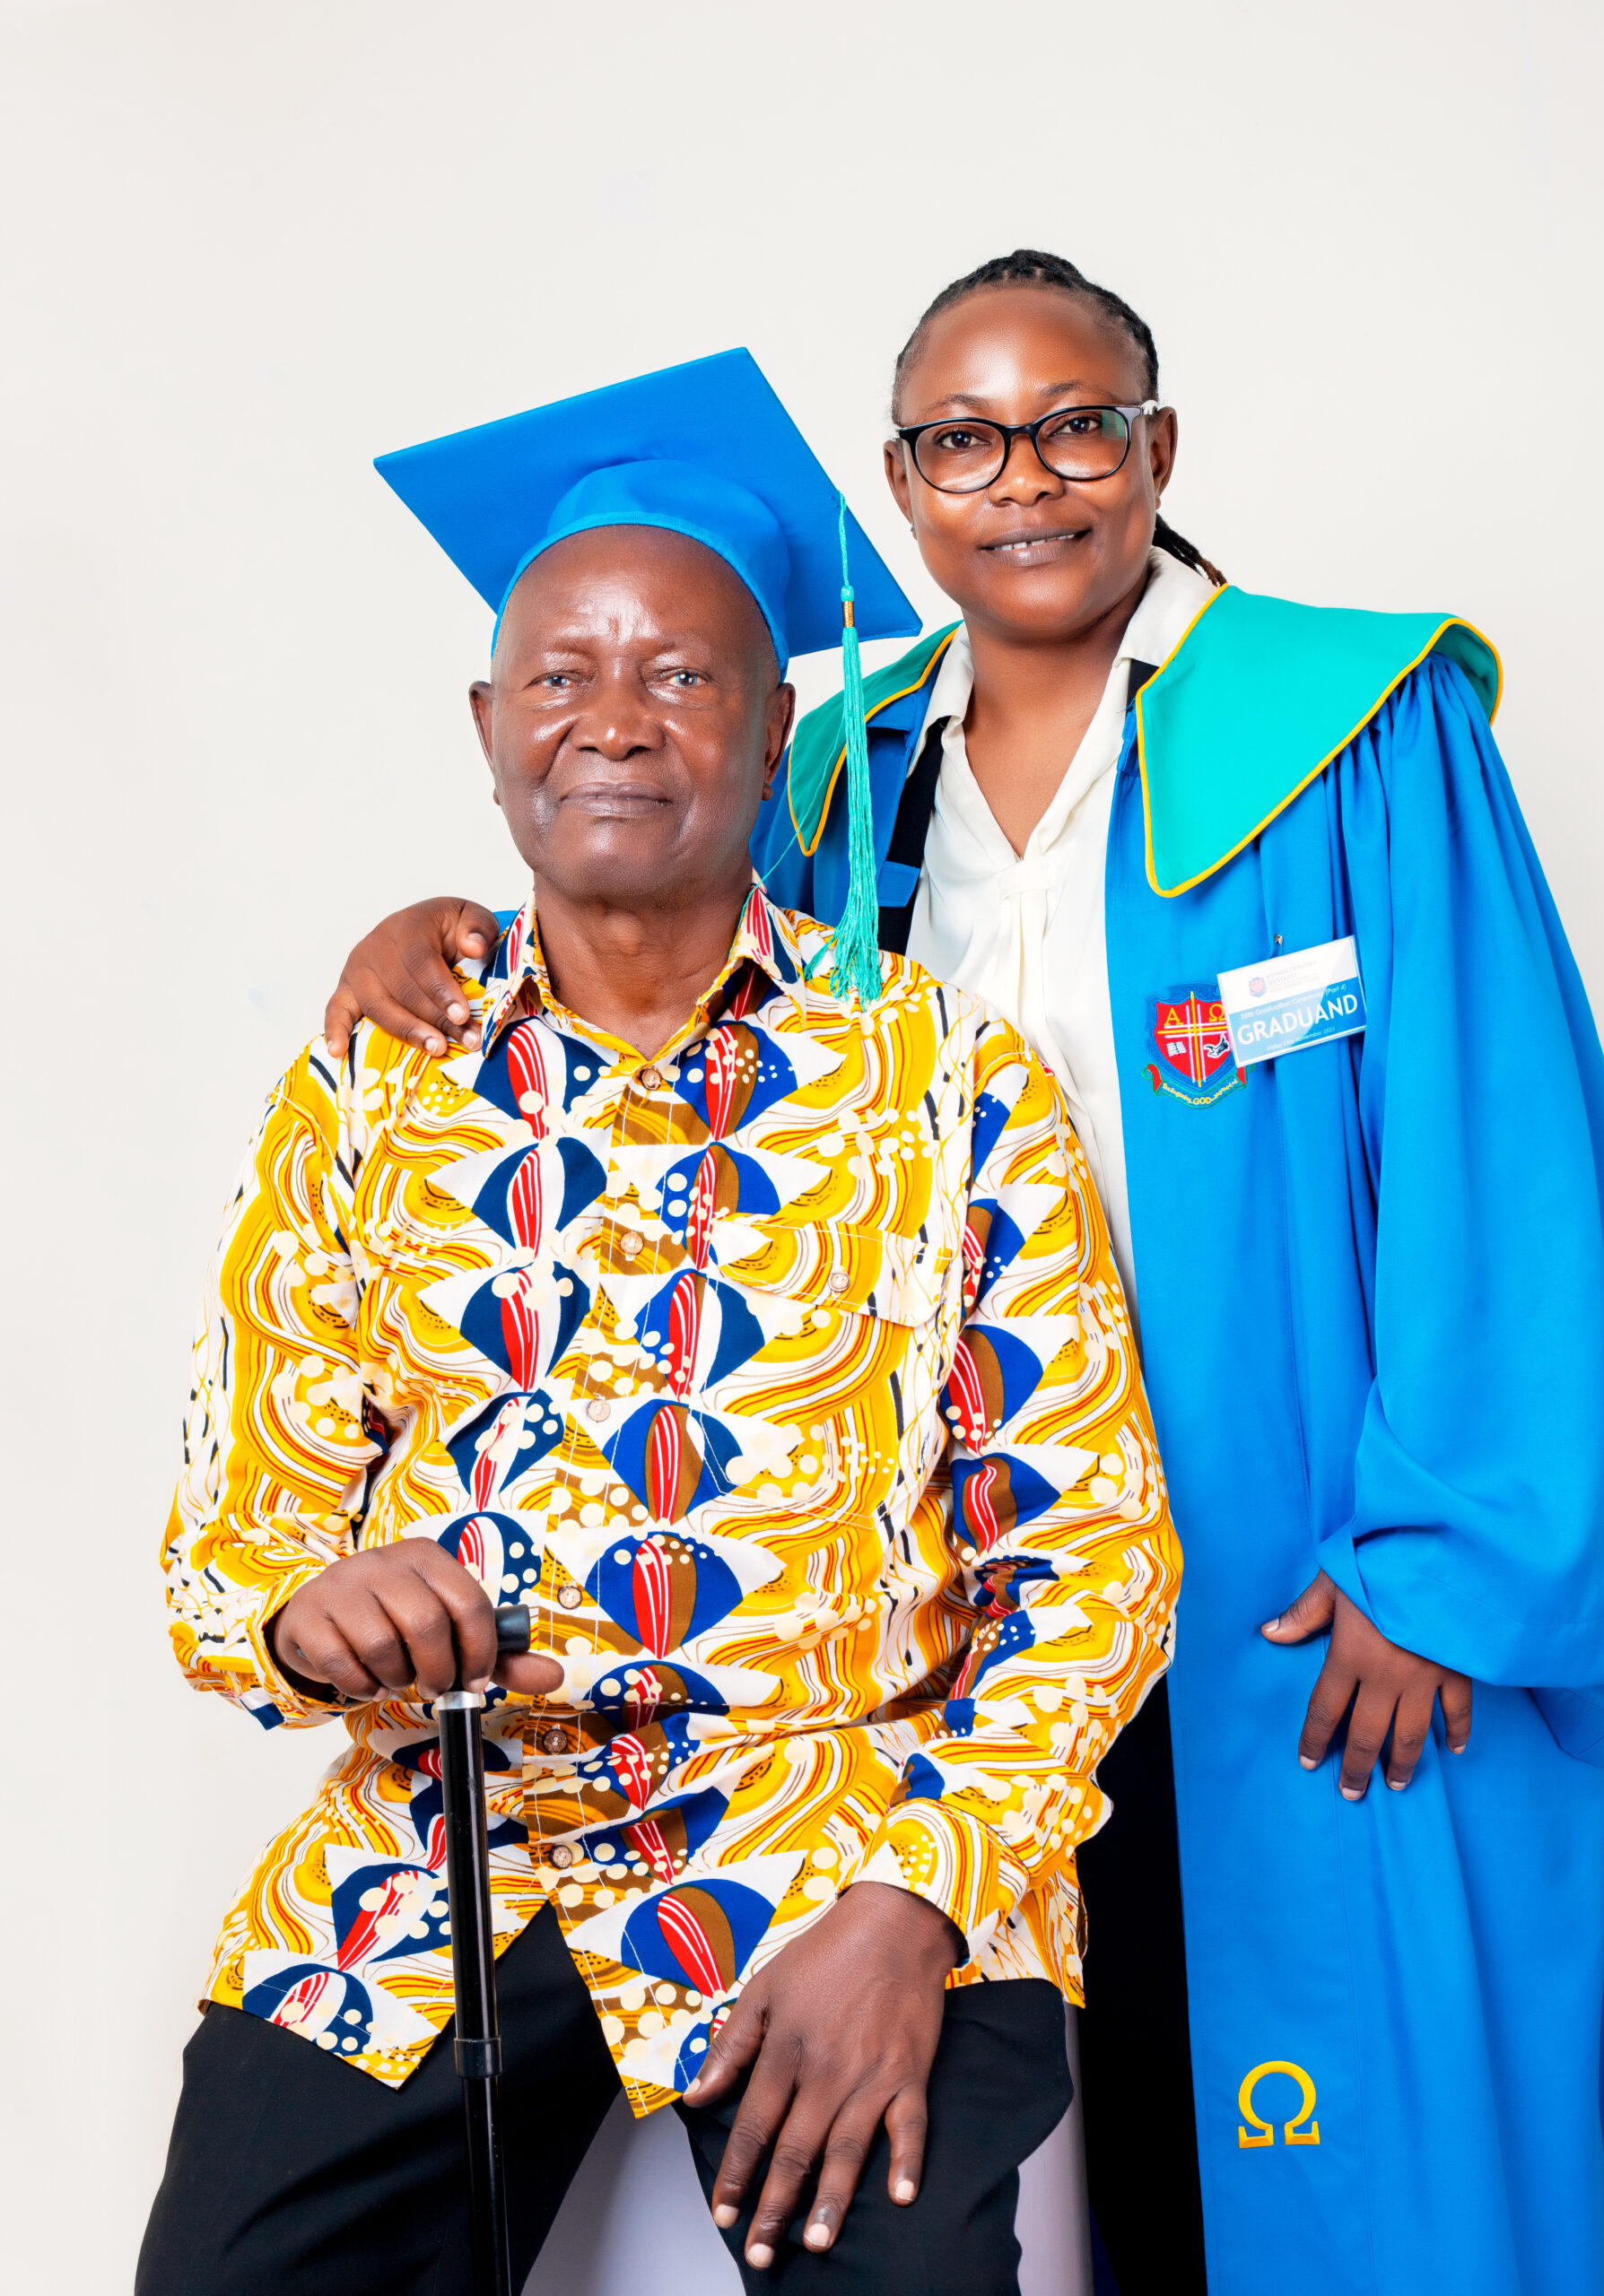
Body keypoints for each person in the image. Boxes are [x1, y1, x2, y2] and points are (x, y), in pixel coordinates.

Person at [329, 255, 1604, 2296]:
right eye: (963, 440)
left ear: (1153, 450)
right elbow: (643, 970)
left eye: (1078, 425)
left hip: (1311, 1574)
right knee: (1070, 2131)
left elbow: (1500, 1140)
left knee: (1359, 2147)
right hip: (973, 1583)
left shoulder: (1351, 729)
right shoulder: (840, 784)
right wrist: (435, 938)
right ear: (902, 487)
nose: (1027, 479)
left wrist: (1443, 1552)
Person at [141, 350, 1180, 2296]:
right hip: (450, 1849)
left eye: (684, 675)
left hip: (831, 1830)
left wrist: (917, 1894)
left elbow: (1093, 1555)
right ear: (486, 722)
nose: (614, 720)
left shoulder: (943, 1084)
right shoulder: (374, 1079)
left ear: (775, 725)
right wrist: (308, 1606)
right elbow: (226, 1544)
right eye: (561, 674)